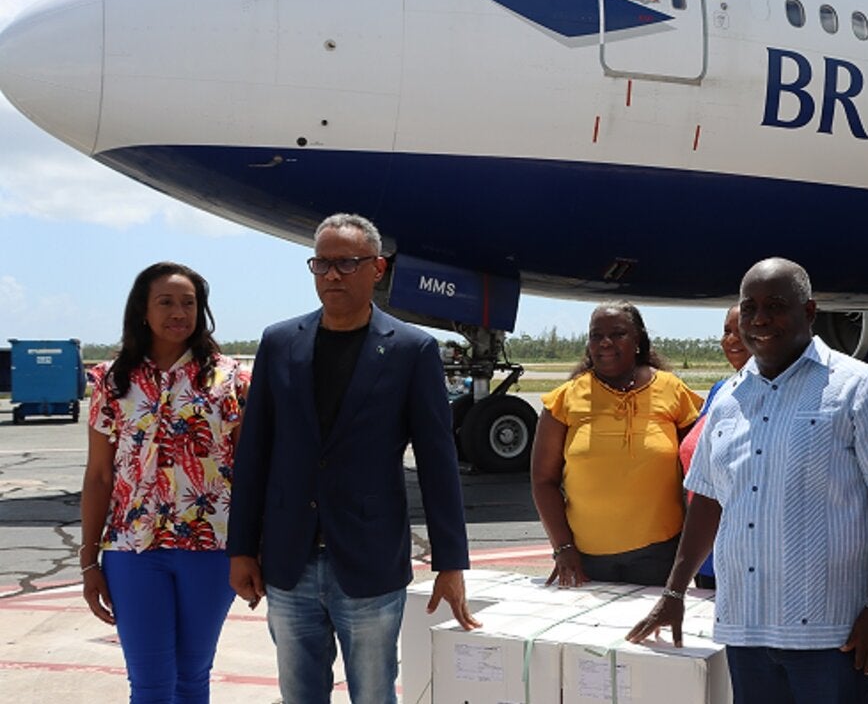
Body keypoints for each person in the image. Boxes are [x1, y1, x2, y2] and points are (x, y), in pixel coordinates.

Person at [627, 258, 868, 704]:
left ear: (809, 312)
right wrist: (675, 590)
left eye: (776, 306)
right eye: (750, 308)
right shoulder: (728, 397)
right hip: (745, 628)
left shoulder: (860, 388)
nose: (760, 319)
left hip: (832, 633)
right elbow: (707, 499)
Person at [227, 213, 477, 704]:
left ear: (377, 269)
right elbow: (254, 453)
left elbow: (437, 462)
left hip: (368, 562)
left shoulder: (411, 349)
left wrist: (451, 562)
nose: (332, 275)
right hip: (288, 561)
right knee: (299, 695)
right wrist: (241, 549)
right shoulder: (279, 343)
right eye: (321, 264)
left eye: (346, 263)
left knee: (373, 695)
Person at [79, 261, 250, 703]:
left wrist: (252, 547)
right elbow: (99, 476)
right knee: (150, 684)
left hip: (211, 549)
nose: (179, 312)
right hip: (132, 551)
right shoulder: (112, 380)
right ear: (143, 310)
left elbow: (251, 467)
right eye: (166, 302)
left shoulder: (229, 378)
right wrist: (88, 560)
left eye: (189, 303)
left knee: (192, 677)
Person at [531, 300, 704, 587]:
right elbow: (542, 480)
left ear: (638, 339)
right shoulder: (565, 399)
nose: (605, 343)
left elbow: (699, 470)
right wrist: (563, 548)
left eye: (618, 334)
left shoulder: (672, 390)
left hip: (661, 555)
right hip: (586, 559)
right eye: (596, 335)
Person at [676, 304, 751, 589]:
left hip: (745, 556)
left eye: (742, 331)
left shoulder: (779, 396)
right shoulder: (721, 390)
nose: (732, 339)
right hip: (704, 552)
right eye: (726, 331)